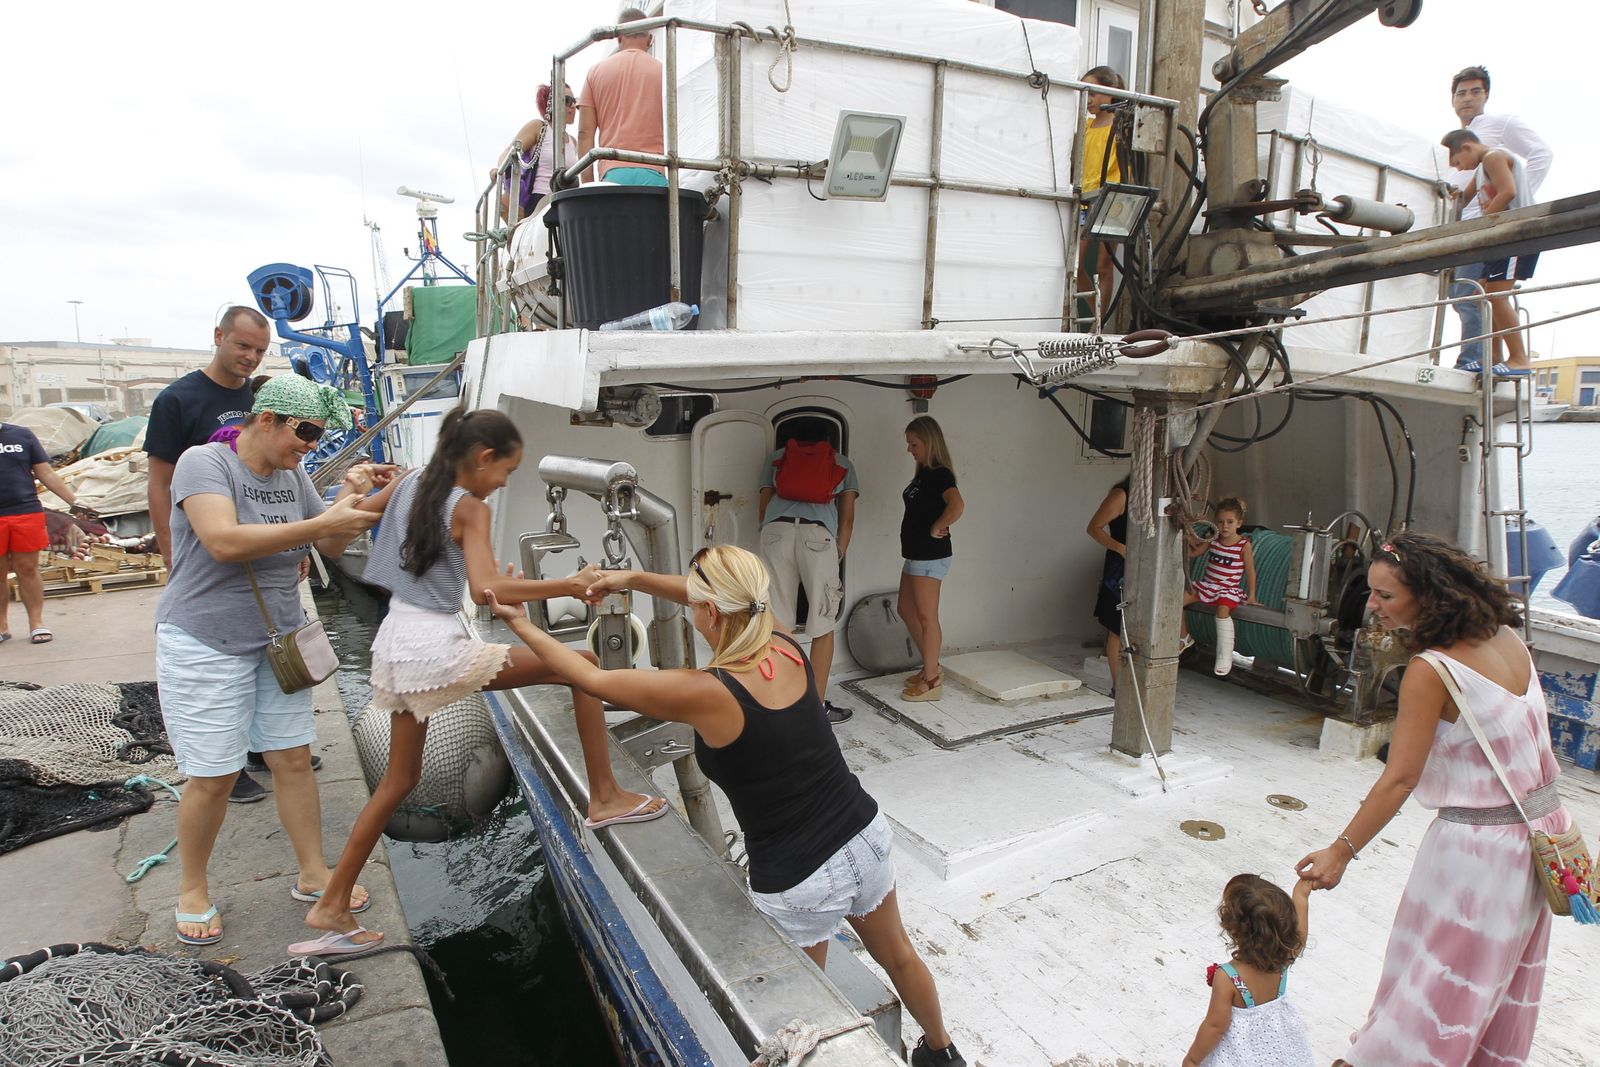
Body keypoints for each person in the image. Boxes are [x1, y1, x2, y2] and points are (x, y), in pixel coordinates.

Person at [486, 546, 968, 1067]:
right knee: (898, 954)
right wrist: (634, 578)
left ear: (710, 613)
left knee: (806, 1016)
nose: (692, 609)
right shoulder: (782, 639)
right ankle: (943, 1053)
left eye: (697, 603)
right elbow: (719, 599)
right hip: (866, 835)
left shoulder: (709, 692)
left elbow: (593, 680)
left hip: (800, 878)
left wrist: (518, 622)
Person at [293, 408, 665, 956]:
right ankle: (605, 796)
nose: (503, 483)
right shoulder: (470, 506)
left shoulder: (411, 482)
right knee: (581, 663)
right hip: (434, 649)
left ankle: (332, 905)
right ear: (484, 458)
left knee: (398, 781)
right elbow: (493, 589)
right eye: (505, 472)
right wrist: (574, 582)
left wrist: (350, 491)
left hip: (396, 642)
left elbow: (334, 537)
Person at [1296, 531, 1578, 1066]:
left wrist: (1341, 850)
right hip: (1540, 841)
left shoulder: (1431, 671)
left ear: (1428, 596)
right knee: (1492, 978)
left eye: (1385, 596)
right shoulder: (1508, 639)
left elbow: (1400, 778)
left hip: (1479, 856)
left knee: (1440, 981)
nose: (1371, 606)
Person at [155, 376, 398, 947]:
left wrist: (361, 494)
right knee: (213, 774)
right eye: (306, 431)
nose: (311, 445)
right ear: (267, 419)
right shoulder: (204, 464)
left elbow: (331, 545)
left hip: (277, 639)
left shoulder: (290, 477)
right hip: (205, 640)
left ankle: (313, 872)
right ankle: (192, 888)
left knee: (292, 758)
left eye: (319, 434)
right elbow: (222, 541)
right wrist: (324, 521)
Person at [147, 307, 274, 803]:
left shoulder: (259, 396)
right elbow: (159, 482)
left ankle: (265, 746)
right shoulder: (177, 400)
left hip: (262, 550)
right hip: (205, 549)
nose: (250, 357)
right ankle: (227, 762)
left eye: (260, 350)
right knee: (214, 653)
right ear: (219, 336)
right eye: (242, 346)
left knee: (266, 644)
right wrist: (169, 548)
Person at [758, 428, 859, 723]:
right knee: (822, 623)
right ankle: (815, 710)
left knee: (778, 624)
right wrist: (837, 551)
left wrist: (768, 533)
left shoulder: (776, 458)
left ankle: (779, 701)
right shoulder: (843, 462)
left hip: (776, 533)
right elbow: (848, 517)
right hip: (817, 538)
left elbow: (764, 504)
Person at [1183, 875, 1314, 1067]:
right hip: (1279, 1052)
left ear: (1233, 927)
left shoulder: (1228, 978)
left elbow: (1215, 1026)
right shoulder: (1283, 957)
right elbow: (1300, 936)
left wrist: (1193, 1060)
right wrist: (1301, 895)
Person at [1443, 128, 1536, 377]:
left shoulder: (1493, 157)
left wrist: (1486, 222)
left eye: (1458, 162)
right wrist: (1453, 196)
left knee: (1496, 295)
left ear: (1467, 148)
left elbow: (1508, 192)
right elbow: (1465, 196)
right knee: (1481, 291)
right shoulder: (1482, 169)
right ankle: (1493, 356)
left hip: (1517, 234)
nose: (1460, 169)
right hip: (1501, 239)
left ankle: (1519, 358)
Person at [0, 419, 95, 644]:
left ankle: (36, 622)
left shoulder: (22, 435)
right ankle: (2, 625)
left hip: (25, 512)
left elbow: (47, 474)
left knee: (27, 569)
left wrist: (75, 502)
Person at [899, 417, 964, 703]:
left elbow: (957, 505)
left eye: (914, 444)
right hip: (915, 554)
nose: (910, 449)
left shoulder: (939, 474)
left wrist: (937, 526)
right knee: (905, 609)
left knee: (927, 617)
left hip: (929, 556)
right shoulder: (923, 474)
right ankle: (931, 665)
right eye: (909, 444)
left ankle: (932, 680)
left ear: (929, 442)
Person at [577, 8, 666, 187]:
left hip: (612, 173)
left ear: (618, 38)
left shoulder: (595, 73)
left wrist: (588, 184)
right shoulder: (665, 72)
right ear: (650, 40)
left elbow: (584, 134)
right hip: (655, 172)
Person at [1183, 496, 1258, 676]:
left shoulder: (1243, 545)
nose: (1225, 526)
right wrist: (1186, 536)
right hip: (1208, 585)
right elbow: (1194, 553)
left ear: (1239, 523)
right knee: (1179, 601)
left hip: (1228, 588)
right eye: (1221, 522)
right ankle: (1185, 638)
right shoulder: (1213, 539)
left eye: (1230, 522)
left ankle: (1225, 656)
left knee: (1223, 610)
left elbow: (1250, 571)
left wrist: (1252, 595)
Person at [1076, 66, 1125, 322]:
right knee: (1076, 265)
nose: (1090, 99)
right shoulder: (1084, 125)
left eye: (1094, 92)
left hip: (1113, 198)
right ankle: (1097, 314)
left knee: (1103, 265)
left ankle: (1100, 325)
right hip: (1087, 197)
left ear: (1110, 92)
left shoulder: (1122, 123)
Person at [496, 82, 579, 220]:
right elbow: (508, 152)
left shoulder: (572, 141)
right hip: (541, 202)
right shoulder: (539, 127)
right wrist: (499, 169)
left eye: (574, 100)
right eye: (567, 101)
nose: (573, 106)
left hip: (568, 203)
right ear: (551, 104)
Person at [1086, 476, 1130, 690]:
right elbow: (1094, 528)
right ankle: (1118, 686)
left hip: (1148, 568)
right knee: (1116, 628)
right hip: (1120, 571)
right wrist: (1120, 548)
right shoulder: (1121, 495)